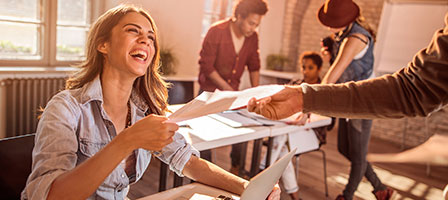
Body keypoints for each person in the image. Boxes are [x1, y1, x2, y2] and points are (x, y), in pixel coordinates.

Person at [22, 5, 280, 200]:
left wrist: (247, 188)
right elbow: (47, 195)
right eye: (133, 31)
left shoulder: (144, 109)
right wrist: (127, 140)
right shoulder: (65, 108)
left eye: (151, 37)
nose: (146, 40)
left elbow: (187, 161)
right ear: (103, 44)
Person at [247, 7, 448, 200]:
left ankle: (348, 195)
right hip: (348, 103)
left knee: (358, 155)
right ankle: (380, 188)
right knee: (345, 149)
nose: (328, 27)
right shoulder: (343, 36)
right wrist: (305, 98)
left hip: (362, 108)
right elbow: (414, 88)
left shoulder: (355, 38)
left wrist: (307, 102)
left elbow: (335, 72)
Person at [197, 0, 268, 176]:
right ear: (238, 17)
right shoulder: (216, 31)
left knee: (244, 130)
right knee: (205, 137)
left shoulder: (253, 38)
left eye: (257, 25)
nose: (253, 28)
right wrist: (227, 89)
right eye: (251, 23)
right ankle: (207, 174)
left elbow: (254, 66)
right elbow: (206, 66)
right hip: (210, 94)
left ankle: (237, 169)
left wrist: (256, 93)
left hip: (233, 94)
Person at [260, 52, 325, 200]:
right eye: (303, 67)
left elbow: (328, 121)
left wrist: (307, 115)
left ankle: (261, 171)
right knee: (283, 152)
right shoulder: (295, 84)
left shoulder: (324, 88)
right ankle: (295, 196)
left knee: (281, 139)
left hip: (311, 134)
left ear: (319, 69)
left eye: (310, 67)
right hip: (290, 131)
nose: (305, 71)